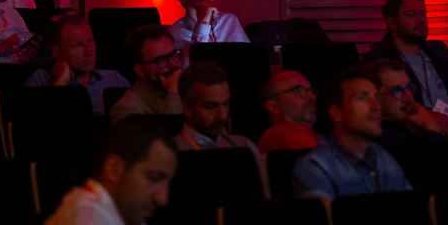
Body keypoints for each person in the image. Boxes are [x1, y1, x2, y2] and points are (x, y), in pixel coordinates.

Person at [28, 116, 177, 225]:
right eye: (153, 178)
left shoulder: (131, 214)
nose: (162, 199)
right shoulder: (86, 215)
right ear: (114, 169)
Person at [361, 0, 448, 135]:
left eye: (423, 14)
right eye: (412, 15)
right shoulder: (378, 60)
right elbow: (379, 108)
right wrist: (428, 117)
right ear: (392, 22)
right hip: (422, 134)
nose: (421, 20)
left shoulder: (438, 50)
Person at [292, 66, 411, 200]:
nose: (376, 106)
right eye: (362, 98)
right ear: (336, 113)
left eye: (376, 98)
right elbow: (324, 214)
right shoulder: (315, 166)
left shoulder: (381, 156)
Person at [175, 61, 269, 195]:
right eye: (211, 107)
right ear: (187, 108)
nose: (222, 116)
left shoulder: (244, 147)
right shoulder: (170, 154)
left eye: (225, 104)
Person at [26, 13, 130, 114]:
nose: (89, 52)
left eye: (91, 41)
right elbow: (39, 122)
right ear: (57, 52)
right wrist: (61, 81)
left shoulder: (114, 79)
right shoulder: (40, 80)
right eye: (78, 45)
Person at [110, 25, 183, 124]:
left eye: (174, 54)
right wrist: (173, 93)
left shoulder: (189, 90)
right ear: (140, 70)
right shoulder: (127, 110)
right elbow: (170, 132)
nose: (173, 63)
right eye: (161, 60)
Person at [257, 70, 320, 153]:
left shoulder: (310, 136)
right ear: (273, 106)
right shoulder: (280, 137)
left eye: (311, 91)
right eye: (299, 90)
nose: (313, 97)